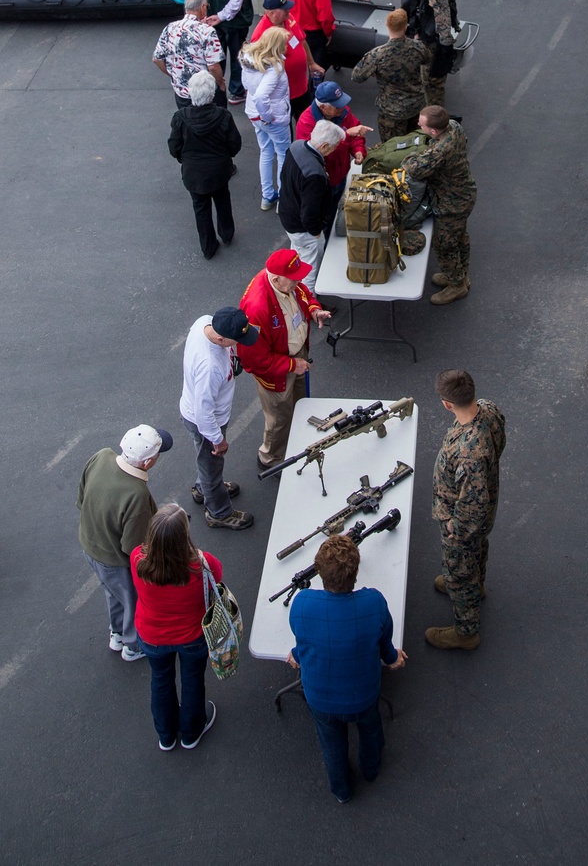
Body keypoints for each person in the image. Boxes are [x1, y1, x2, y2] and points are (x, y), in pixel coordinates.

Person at [288, 533, 407, 803]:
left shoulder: (302, 603)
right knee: (371, 731)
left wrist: (296, 654)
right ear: (355, 572)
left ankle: (342, 791)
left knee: (332, 746)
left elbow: (305, 641)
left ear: (320, 573)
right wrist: (393, 658)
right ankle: (371, 769)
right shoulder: (374, 602)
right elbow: (385, 646)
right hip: (363, 696)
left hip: (321, 701)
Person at [77, 423, 174, 661]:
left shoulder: (101, 456)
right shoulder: (136, 494)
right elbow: (134, 548)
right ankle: (133, 645)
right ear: (147, 462)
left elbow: (81, 498)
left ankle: (117, 632)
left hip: (90, 546)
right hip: (114, 560)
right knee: (132, 599)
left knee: (113, 592)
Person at [130, 503, 220, 749]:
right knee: (192, 680)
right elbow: (217, 582)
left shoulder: (137, 558)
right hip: (192, 636)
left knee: (160, 680)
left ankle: (166, 736)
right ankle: (191, 732)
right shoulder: (202, 564)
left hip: (151, 636)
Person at [427, 368, 505, 651]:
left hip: (463, 523)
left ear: (447, 403)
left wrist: (453, 528)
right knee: (477, 550)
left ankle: (466, 631)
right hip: (484, 511)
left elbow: (472, 507)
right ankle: (477, 585)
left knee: (461, 565)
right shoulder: (488, 410)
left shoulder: (469, 451)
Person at [237, 248, 331, 468]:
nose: (299, 282)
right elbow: (254, 361)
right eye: (294, 279)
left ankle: (296, 440)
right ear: (277, 279)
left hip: (295, 359)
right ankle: (270, 459)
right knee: (279, 418)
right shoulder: (257, 308)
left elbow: (303, 294)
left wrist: (314, 309)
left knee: (300, 405)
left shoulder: (287, 283)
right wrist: (291, 364)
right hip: (278, 370)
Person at [180, 309, 259, 530]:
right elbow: (203, 411)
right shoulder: (210, 366)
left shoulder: (204, 322)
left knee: (205, 461)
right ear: (221, 338)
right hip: (206, 423)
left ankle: (202, 488)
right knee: (212, 465)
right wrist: (217, 440)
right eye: (237, 340)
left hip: (195, 414)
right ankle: (219, 512)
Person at [401, 106, 476, 305]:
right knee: (459, 236)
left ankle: (457, 285)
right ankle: (460, 274)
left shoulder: (440, 151)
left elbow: (414, 169)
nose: (418, 124)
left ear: (434, 131)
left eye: (422, 123)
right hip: (463, 194)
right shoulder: (453, 126)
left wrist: (409, 158)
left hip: (451, 203)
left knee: (445, 244)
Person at [373, 0, 459, 107]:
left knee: (432, 82)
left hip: (431, 39)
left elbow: (442, 19)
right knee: (424, 77)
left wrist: (445, 49)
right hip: (422, 31)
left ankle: (435, 116)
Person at [168, 70, 242, 258]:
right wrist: (227, 156)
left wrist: (183, 159)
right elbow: (234, 144)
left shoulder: (180, 118)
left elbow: (174, 146)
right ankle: (226, 233)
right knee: (222, 199)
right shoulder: (223, 116)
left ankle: (208, 247)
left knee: (200, 207)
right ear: (212, 93)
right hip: (219, 170)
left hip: (194, 172)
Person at [296, 80, 370, 235]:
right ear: (323, 107)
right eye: (337, 105)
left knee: (335, 209)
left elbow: (356, 134)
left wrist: (358, 150)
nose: (342, 108)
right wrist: (346, 134)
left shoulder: (342, 112)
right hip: (323, 183)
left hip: (340, 176)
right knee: (324, 218)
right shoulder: (306, 123)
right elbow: (324, 153)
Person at [278, 119, 346, 281]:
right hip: (303, 229)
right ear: (324, 146)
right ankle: (310, 304)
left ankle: (294, 293)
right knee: (309, 270)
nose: (335, 150)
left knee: (297, 258)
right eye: (334, 146)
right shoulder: (314, 174)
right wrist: (315, 230)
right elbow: (309, 212)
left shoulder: (296, 146)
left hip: (288, 215)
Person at [351, 7, 429, 142]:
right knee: (416, 144)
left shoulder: (377, 55)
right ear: (405, 27)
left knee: (392, 149)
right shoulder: (418, 47)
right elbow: (427, 59)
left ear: (387, 25)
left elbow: (357, 77)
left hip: (392, 111)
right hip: (416, 107)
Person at [249, 0, 323, 123]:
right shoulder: (260, 35)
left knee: (306, 123)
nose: (289, 11)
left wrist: (311, 63)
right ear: (272, 13)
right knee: (285, 130)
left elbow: (302, 40)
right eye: (284, 9)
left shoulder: (288, 19)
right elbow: (257, 70)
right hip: (282, 96)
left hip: (302, 87)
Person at [239, 26, 292, 210]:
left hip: (253, 114)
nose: (286, 46)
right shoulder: (274, 68)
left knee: (266, 152)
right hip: (273, 118)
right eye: (284, 43)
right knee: (283, 155)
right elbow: (262, 96)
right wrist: (268, 117)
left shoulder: (249, 59)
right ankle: (283, 200)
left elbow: (248, 87)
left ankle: (267, 196)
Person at [153, 0, 228, 108]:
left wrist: (173, 75)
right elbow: (213, 66)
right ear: (202, 8)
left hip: (181, 93)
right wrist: (221, 83)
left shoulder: (169, 28)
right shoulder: (207, 31)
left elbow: (157, 59)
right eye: (207, 6)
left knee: (187, 123)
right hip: (206, 93)